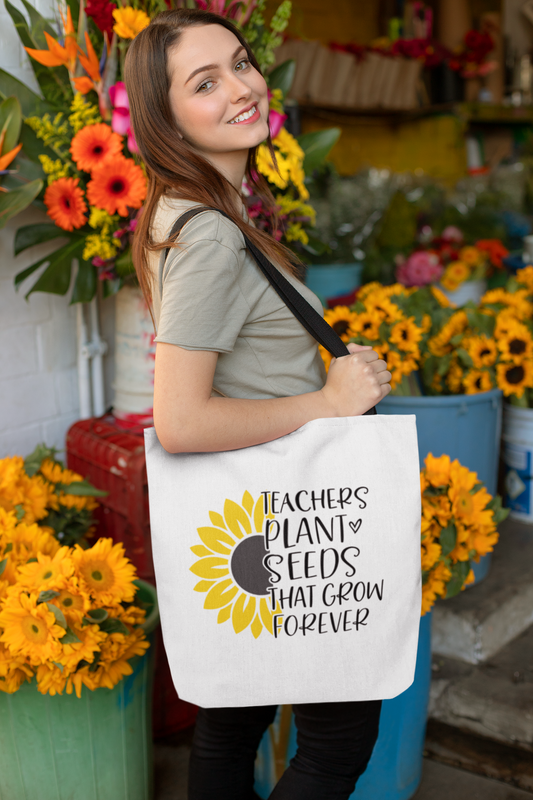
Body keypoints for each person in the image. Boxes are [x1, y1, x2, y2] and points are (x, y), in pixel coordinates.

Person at [125, 9, 392, 799]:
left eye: (240, 64)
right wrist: (329, 400)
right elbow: (180, 421)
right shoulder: (207, 233)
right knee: (338, 741)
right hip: (283, 519)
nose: (242, 87)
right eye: (205, 83)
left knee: (232, 725)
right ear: (165, 117)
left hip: (251, 519)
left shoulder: (192, 215)